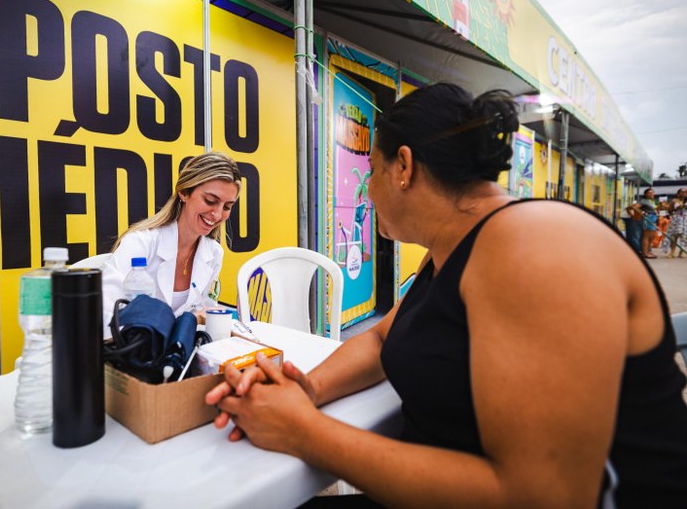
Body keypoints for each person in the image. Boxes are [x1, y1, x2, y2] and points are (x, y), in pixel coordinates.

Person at [206, 84, 687, 508]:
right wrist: (307, 391)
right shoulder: (451, 249)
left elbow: (545, 496)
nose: (367, 192)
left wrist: (302, 432)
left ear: (404, 167)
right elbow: (379, 341)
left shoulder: (534, 244)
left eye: (371, 170)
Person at [100, 151, 241, 337]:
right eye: (210, 201)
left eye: (227, 207)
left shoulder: (214, 253)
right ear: (184, 192)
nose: (217, 214)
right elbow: (103, 313)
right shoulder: (140, 243)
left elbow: (204, 313)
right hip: (130, 353)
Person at [628, 188, 658, 259]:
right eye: (649, 193)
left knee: (651, 237)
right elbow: (634, 207)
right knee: (646, 236)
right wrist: (642, 213)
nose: (651, 194)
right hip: (648, 219)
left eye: (652, 193)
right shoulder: (643, 201)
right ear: (645, 194)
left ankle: (648, 251)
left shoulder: (651, 201)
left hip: (653, 218)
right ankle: (645, 253)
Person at [666, 188, 687, 258]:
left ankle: (681, 252)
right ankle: (672, 252)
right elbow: (669, 210)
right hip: (677, 220)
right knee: (674, 236)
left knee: (685, 237)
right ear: (678, 193)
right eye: (682, 192)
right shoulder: (674, 201)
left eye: (685, 192)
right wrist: (677, 209)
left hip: (686, 220)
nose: (683, 193)